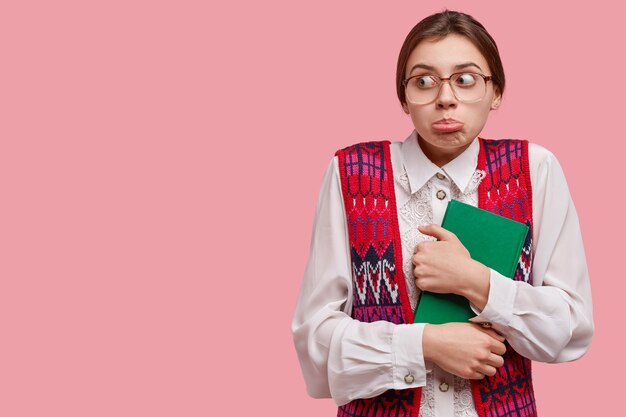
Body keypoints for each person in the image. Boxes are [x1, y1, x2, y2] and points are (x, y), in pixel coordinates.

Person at [291, 9, 594, 417]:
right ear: (404, 98)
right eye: (424, 81)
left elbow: (571, 330)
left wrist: (478, 283)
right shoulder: (352, 174)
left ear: (497, 91)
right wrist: (423, 345)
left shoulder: (534, 170)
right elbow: (314, 345)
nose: (445, 97)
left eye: (466, 79)